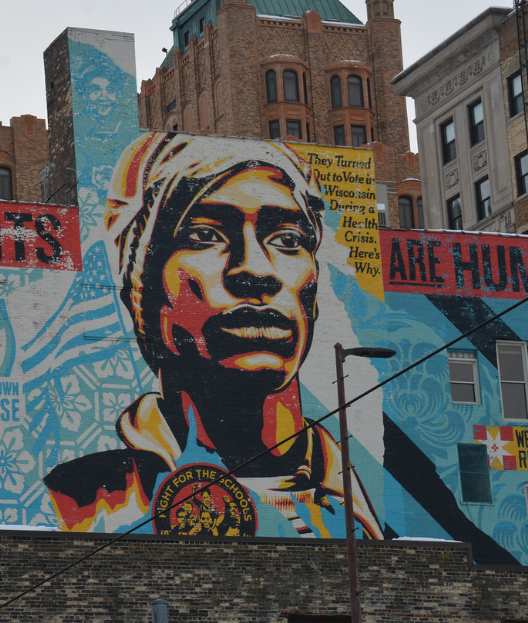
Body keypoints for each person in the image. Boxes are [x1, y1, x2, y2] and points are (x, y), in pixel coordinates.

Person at [44, 132, 381, 539]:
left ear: (312, 284)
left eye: (288, 240)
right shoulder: (82, 500)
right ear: (141, 284)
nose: (257, 270)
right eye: (204, 235)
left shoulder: (370, 513)